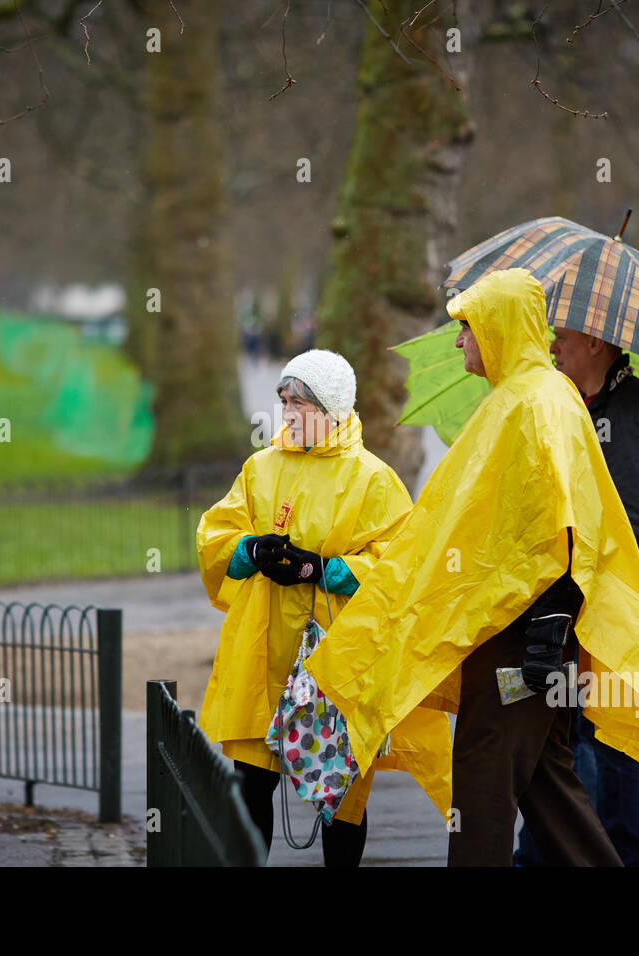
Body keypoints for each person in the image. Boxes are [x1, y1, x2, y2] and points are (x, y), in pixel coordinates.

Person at [306, 268, 639, 867]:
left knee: (482, 791)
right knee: (547, 788)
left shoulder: (535, 403)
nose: (459, 341)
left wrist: (550, 619)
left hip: (518, 636)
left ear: (499, 326)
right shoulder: (528, 398)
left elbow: (564, 523)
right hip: (515, 633)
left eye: (467, 328)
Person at [195, 348, 453, 867]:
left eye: (298, 403)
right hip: (262, 653)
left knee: (341, 802)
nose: (286, 412)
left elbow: (402, 566)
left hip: (338, 658)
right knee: (249, 785)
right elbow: (217, 534)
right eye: (283, 400)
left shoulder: (373, 480)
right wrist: (251, 551)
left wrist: (324, 570)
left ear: (330, 408)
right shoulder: (261, 466)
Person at [515, 328, 639, 867]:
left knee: (617, 732)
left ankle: (634, 855)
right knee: (594, 728)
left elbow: (632, 524)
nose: (553, 344)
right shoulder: (581, 401)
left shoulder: (627, 413)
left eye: (563, 336)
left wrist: (577, 579)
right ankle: (593, 847)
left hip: (615, 600)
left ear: (596, 344)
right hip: (584, 595)